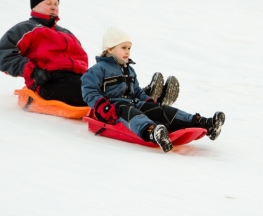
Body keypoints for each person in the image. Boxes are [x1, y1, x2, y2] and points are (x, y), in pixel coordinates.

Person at [0, 0, 179, 107]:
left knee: (105, 82)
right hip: (49, 82)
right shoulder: (26, 29)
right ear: (35, 6)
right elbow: (5, 56)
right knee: (92, 92)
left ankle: (144, 97)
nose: (54, 7)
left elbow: (81, 59)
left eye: (56, 3)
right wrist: (33, 71)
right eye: (48, 3)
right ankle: (141, 99)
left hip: (77, 79)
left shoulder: (66, 32)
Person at [81, 27, 226, 153]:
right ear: (110, 49)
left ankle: (204, 123)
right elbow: (88, 90)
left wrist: (150, 103)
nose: (127, 52)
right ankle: (152, 131)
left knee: (161, 110)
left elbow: (137, 91)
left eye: (129, 48)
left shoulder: (129, 70)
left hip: (134, 102)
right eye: (123, 48)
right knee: (131, 112)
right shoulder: (98, 69)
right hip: (113, 110)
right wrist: (104, 107)